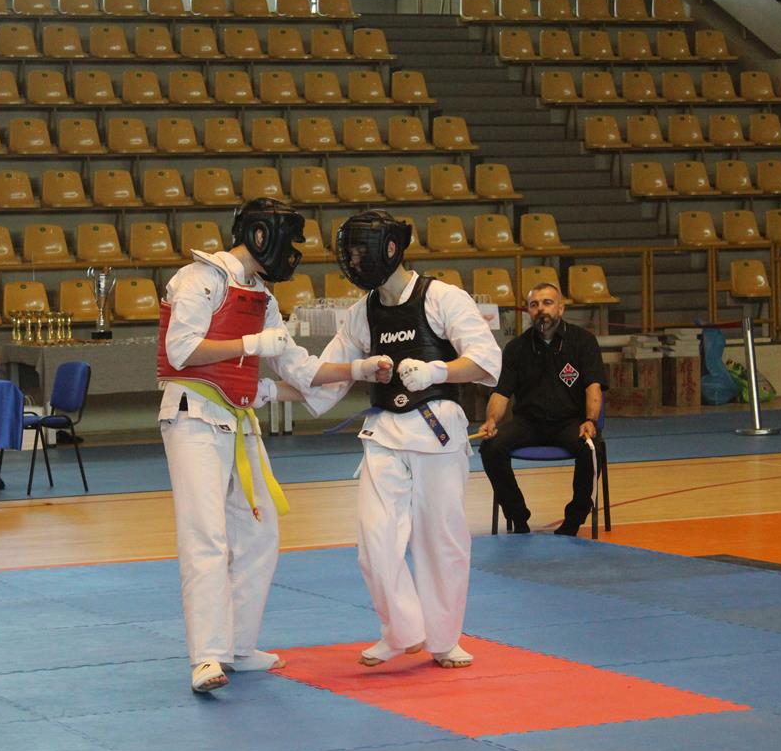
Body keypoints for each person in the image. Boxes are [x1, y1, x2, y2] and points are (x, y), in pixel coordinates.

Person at [156, 198, 391, 693]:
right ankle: (207, 657)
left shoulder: (260, 297)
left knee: (260, 534)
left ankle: (239, 645)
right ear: (262, 236)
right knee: (206, 537)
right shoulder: (198, 279)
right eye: (290, 241)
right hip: (193, 417)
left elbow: (298, 368)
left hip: (238, 421)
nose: (294, 253)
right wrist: (249, 346)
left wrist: (358, 369)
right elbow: (181, 349)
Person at [301, 211, 503, 669]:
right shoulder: (361, 313)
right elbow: (326, 378)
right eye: (349, 254)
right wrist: (270, 382)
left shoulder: (443, 297)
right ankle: (401, 631)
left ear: (390, 249)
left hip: (438, 430)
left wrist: (437, 371)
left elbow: (486, 360)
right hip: (383, 434)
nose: (354, 262)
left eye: (360, 252)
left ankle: (444, 639)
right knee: (374, 539)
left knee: (441, 540)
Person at [477, 282, 606, 537]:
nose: (540, 309)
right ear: (528, 311)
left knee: (591, 449)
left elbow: (593, 387)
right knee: (490, 447)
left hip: (570, 422)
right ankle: (518, 517)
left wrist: (590, 420)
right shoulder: (516, 348)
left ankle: (573, 521)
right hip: (528, 424)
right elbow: (501, 393)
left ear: (561, 308)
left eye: (547, 303)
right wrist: (491, 420)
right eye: (534, 305)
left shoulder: (583, 341)